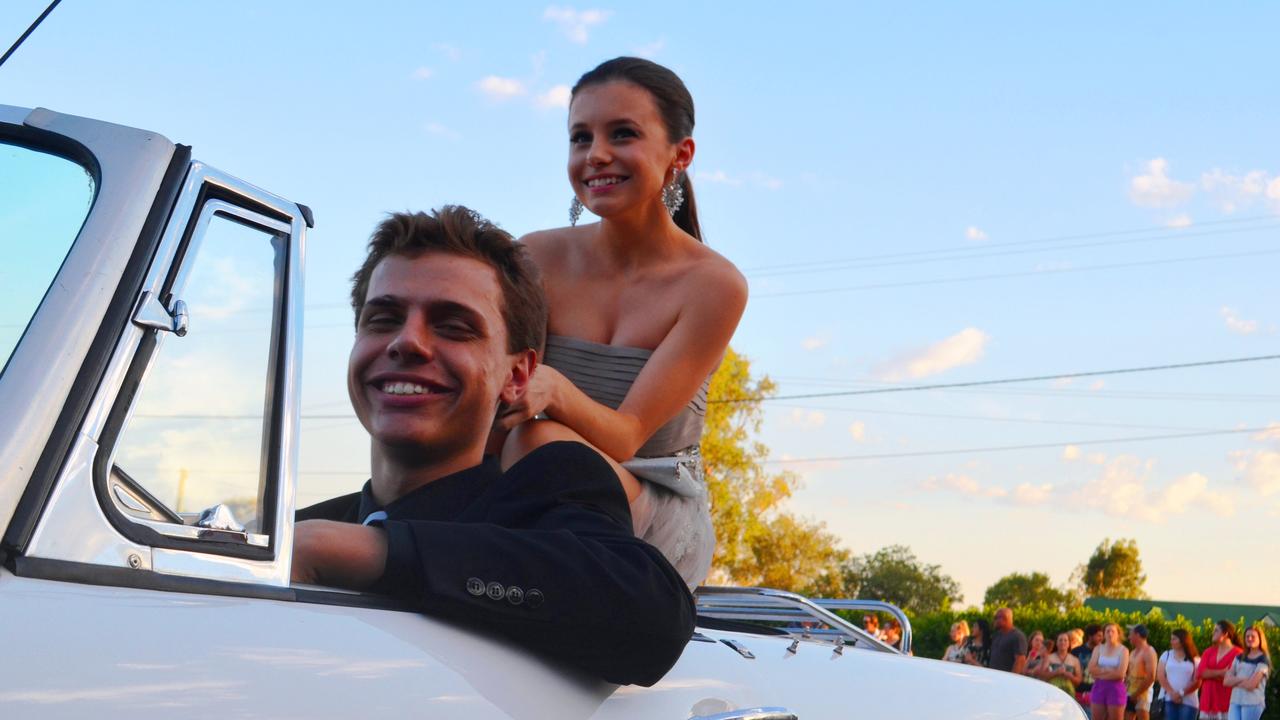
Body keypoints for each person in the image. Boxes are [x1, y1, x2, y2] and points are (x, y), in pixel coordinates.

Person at [290, 207, 695, 686]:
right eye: (382, 319)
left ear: (517, 375)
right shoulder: (299, 530)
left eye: (453, 326)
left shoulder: (548, 492)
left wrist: (376, 552)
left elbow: (651, 616)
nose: (406, 342)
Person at [499, 57, 748, 589]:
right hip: (529, 489)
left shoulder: (714, 285)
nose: (596, 155)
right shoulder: (534, 256)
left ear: (680, 155)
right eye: (580, 138)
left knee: (538, 443)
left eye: (623, 134)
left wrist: (552, 388)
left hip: (651, 511)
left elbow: (629, 436)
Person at [1198, 619, 1245, 720]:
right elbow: (1201, 673)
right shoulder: (1208, 652)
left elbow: (1235, 677)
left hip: (1226, 704)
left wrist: (1211, 673)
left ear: (1226, 634)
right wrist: (1222, 672)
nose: (1212, 633)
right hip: (1207, 703)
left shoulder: (1238, 653)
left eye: (1216, 630)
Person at [1224, 624, 1271, 720]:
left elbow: (1251, 685)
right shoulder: (1239, 657)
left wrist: (1235, 681)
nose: (1249, 638)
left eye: (1253, 636)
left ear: (1260, 639)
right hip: (1235, 701)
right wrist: (1245, 679)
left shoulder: (1263, 660)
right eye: (1247, 636)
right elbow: (1226, 681)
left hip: (1252, 702)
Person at [1088, 623, 1131, 720]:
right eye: (1107, 631)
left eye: (1113, 631)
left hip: (1116, 689)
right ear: (1104, 634)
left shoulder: (1123, 650)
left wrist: (1100, 673)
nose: (1110, 633)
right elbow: (1091, 668)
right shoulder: (1098, 648)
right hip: (1099, 687)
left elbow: (1120, 674)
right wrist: (1110, 671)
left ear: (1118, 634)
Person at [1156, 628, 1201, 720]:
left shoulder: (1195, 659)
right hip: (1168, 699)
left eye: (1174, 639)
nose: (1171, 641)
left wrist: (1181, 693)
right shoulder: (1166, 655)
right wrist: (1172, 693)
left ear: (1183, 641)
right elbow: (1160, 676)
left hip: (1189, 702)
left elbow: (1197, 681)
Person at [1125, 624, 1157, 720]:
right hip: (1130, 691)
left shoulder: (1149, 651)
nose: (1128, 637)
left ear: (1137, 635)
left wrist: (1137, 694)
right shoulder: (1133, 652)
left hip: (1143, 694)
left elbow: (1151, 676)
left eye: (1131, 634)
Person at [1040, 631, 1084, 698]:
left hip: (1069, 694)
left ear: (1069, 643)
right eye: (1060, 640)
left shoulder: (1075, 660)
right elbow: (1042, 676)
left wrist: (1070, 676)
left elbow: (1079, 681)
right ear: (1056, 643)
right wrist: (1055, 673)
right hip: (1052, 693)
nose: (1063, 642)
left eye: (1065, 640)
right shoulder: (1049, 658)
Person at [990, 607, 1029, 673]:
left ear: (1006, 618)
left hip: (1006, 679)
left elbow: (1020, 660)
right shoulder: (997, 635)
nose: (995, 620)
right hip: (994, 677)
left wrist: (1011, 679)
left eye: (997, 617)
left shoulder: (1017, 636)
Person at [1075, 624, 1105, 707]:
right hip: (1080, 692)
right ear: (1090, 636)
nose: (1101, 638)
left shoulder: (1105, 652)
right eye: (1098, 635)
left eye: (1102, 636)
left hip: (1099, 691)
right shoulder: (1077, 651)